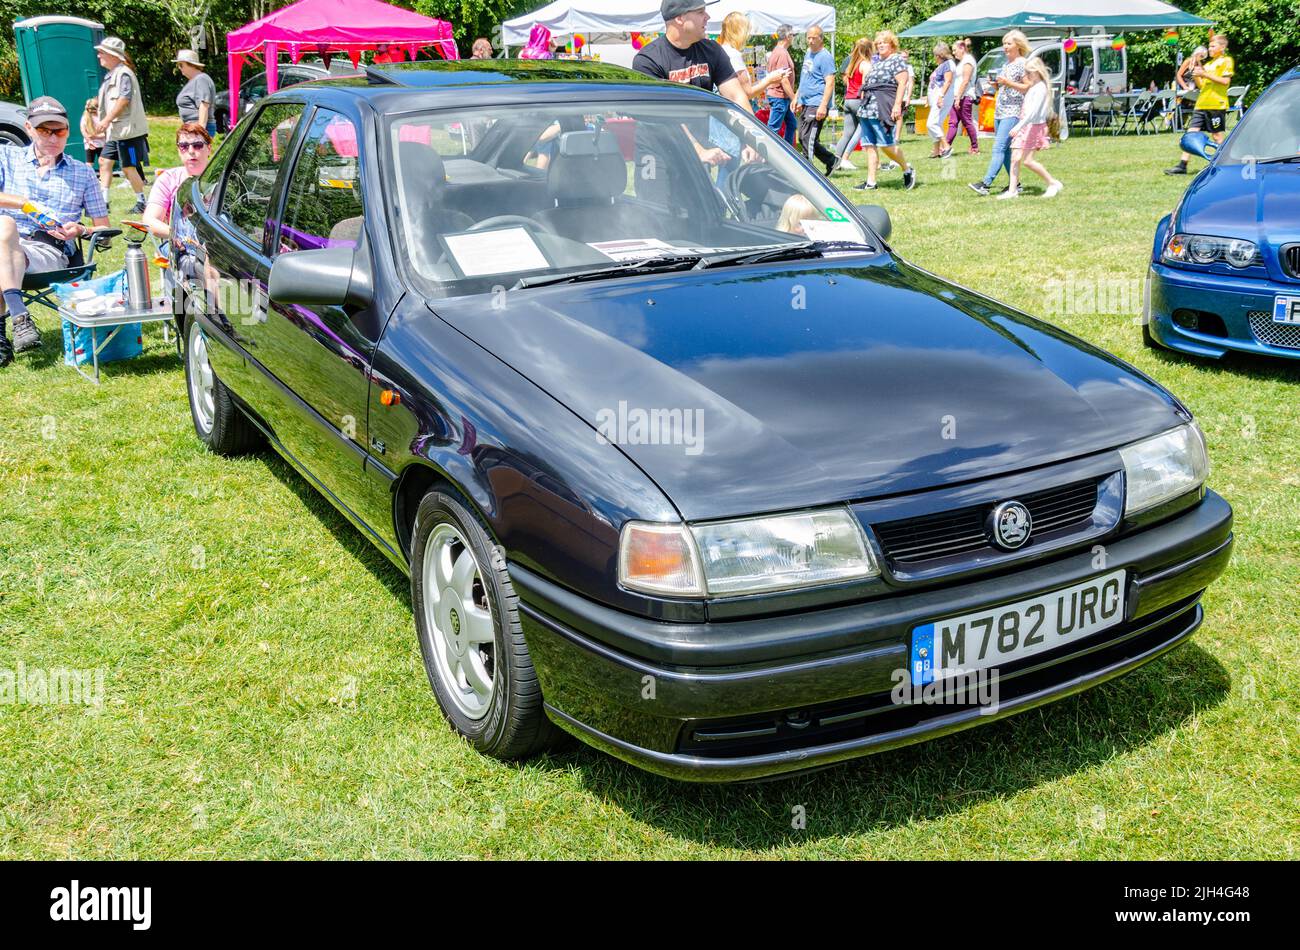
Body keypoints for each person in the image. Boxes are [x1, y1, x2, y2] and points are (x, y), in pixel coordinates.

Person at [0, 97, 110, 367]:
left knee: (3, 227)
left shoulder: (82, 173)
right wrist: (23, 204)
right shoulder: (8, 157)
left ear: (68, 131)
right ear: (28, 128)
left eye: (58, 131)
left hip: (48, 251)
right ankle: (19, 318)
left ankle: (8, 328)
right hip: (7, 242)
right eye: (43, 130)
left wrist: (81, 229)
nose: (52, 137)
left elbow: (105, 231)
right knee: (6, 226)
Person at [969, 29, 1031, 196]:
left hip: (1013, 112)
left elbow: (1027, 87)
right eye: (1004, 43)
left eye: (1008, 43)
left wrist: (1008, 83)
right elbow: (1005, 85)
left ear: (1018, 45)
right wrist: (997, 85)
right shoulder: (1006, 64)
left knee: (998, 148)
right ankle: (1016, 184)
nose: (1005, 46)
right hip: (1000, 110)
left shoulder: (1023, 63)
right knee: (1006, 152)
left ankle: (985, 183)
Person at [852, 30, 916, 191]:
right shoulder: (877, 61)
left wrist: (897, 105)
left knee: (886, 144)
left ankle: (907, 169)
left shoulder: (897, 60)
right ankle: (871, 182)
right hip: (867, 107)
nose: (880, 45)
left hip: (883, 106)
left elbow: (902, 83)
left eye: (884, 42)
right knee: (869, 145)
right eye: (878, 43)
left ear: (892, 45)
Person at [93, 36, 150, 215]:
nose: (98, 56)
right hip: (116, 132)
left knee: (129, 167)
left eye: (101, 52)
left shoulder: (123, 73)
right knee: (104, 161)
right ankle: (103, 202)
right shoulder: (112, 74)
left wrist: (105, 120)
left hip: (128, 132)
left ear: (113, 55)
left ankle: (142, 202)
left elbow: (124, 99)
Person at [1166, 34, 1233, 175]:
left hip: (1216, 104)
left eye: (1213, 46)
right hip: (1201, 103)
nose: (1209, 49)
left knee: (1217, 137)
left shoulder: (1226, 61)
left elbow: (1225, 82)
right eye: (1209, 46)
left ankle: (1226, 163)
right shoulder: (1208, 64)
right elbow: (1202, 86)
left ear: (1222, 47)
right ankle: (1182, 165)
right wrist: (1196, 75)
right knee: (1191, 134)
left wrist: (1205, 74)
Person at [1001, 57, 1062, 199]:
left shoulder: (1040, 88)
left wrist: (1019, 125)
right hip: (1024, 125)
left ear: (1037, 71)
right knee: (1015, 158)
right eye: (1026, 71)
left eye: (1029, 72)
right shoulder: (1034, 87)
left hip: (1032, 126)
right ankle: (1012, 191)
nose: (1027, 74)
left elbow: (1033, 112)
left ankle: (1052, 183)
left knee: (1028, 161)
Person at [142, 123, 212, 241]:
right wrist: (180, 235)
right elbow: (150, 219)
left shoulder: (222, 179)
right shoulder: (168, 179)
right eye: (184, 146)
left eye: (197, 145)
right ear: (178, 150)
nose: (191, 151)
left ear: (209, 149)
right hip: (181, 246)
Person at [792, 25, 838, 176]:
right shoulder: (808, 53)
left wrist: (823, 106)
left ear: (821, 38)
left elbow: (830, 82)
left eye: (814, 38)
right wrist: (797, 97)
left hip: (817, 102)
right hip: (806, 102)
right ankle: (831, 160)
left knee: (807, 138)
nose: (810, 41)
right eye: (808, 37)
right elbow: (805, 77)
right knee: (803, 137)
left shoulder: (825, 57)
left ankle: (808, 172)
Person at [718, 12, 789, 104]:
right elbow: (747, 93)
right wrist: (769, 80)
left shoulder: (721, 50)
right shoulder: (733, 54)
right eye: (747, 31)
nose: (748, 36)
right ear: (740, 31)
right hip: (736, 111)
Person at [831, 38, 872, 172]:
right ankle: (846, 158)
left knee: (847, 133)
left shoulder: (853, 63)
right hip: (858, 100)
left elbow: (848, 82)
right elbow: (865, 86)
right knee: (864, 130)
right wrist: (865, 104)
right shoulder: (865, 64)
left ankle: (835, 161)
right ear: (869, 49)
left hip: (848, 99)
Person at [945, 38, 980, 155]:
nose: (953, 53)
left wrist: (958, 97)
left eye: (955, 50)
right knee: (953, 122)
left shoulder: (968, 61)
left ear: (962, 48)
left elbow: (965, 81)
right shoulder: (962, 61)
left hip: (965, 96)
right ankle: (946, 146)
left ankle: (975, 148)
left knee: (967, 122)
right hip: (957, 96)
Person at [764, 24, 797, 145]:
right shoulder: (782, 53)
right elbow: (784, 80)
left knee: (792, 124)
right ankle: (766, 155)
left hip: (781, 97)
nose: (793, 38)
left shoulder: (777, 51)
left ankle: (787, 152)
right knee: (772, 130)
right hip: (779, 96)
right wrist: (794, 98)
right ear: (788, 36)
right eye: (793, 35)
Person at [174, 50, 216, 139]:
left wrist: (200, 132)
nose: (179, 68)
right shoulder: (194, 80)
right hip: (192, 127)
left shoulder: (201, 79)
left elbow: (204, 105)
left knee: (195, 153)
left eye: (181, 65)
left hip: (198, 128)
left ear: (191, 65)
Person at [926, 42, 955, 158]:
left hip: (942, 98)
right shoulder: (943, 65)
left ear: (939, 55)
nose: (935, 58)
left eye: (935, 55)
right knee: (936, 123)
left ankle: (946, 146)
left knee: (931, 124)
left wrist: (941, 96)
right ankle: (936, 150)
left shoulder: (948, 64)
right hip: (937, 98)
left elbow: (948, 81)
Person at [80, 99, 105, 167]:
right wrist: (89, 141)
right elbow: (83, 130)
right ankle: (87, 177)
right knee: (89, 163)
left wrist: (94, 136)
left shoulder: (102, 117)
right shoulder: (85, 117)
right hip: (90, 144)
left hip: (102, 144)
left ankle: (102, 177)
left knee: (103, 163)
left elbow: (106, 133)